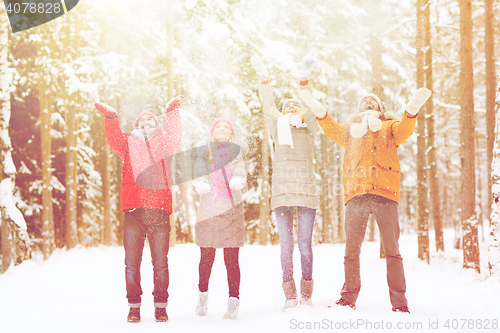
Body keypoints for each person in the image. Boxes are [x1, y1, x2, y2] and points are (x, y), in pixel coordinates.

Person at [300, 86, 432, 314]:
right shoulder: (349, 131)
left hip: (385, 194)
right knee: (351, 251)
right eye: (364, 101)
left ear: (380, 108)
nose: (368, 103)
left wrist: (412, 108)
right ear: (359, 108)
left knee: (393, 250)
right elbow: (329, 126)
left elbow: (405, 129)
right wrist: (316, 107)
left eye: (373, 101)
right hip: (356, 194)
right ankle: (348, 297)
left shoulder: (389, 128)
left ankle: (399, 302)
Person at [93, 95, 183, 323]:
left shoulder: (164, 143)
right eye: (141, 121)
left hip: (159, 209)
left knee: (160, 263)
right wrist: (111, 117)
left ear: (156, 125)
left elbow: (175, 135)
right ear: (136, 126)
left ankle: (160, 306)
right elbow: (113, 138)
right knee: (132, 263)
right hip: (134, 210)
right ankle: (134, 308)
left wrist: (171, 112)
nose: (146, 124)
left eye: (150, 121)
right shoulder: (128, 143)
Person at [251, 55, 320, 310]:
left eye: (295, 107)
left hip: (306, 193)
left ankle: (307, 292)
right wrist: (264, 77)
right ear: (281, 113)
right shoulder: (276, 129)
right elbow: (266, 101)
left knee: (304, 245)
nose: (291, 109)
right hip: (282, 194)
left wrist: (304, 81)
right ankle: (290, 295)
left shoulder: (308, 129)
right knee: (286, 246)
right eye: (287, 107)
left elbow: (312, 107)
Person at [192, 118, 248, 320]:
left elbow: (241, 169)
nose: (222, 129)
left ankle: (233, 301)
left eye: (226, 127)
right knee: (206, 257)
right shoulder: (205, 151)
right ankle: (202, 296)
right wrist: (200, 182)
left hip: (231, 210)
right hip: (209, 208)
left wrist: (238, 179)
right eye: (218, 127)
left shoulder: (237, 152)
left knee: (231, 260)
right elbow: (199, 169)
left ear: (231, 134)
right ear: (213, 133)